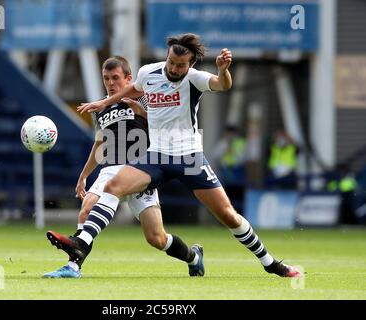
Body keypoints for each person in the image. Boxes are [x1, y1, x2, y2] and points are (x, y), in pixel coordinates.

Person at [68, 33, 301, 278]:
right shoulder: (149, 72)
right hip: (156, 155)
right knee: (113, 186)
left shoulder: (194, 79)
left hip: (189, 157)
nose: (174, 68)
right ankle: (81, 244)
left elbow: (223, 85)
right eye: (171, 62)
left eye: (180, 65)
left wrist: (223, 71)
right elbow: (133, 90)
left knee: (227, 215)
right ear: (167, 57)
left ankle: (270, 263)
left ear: (190, 64)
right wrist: (103, 103)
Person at [43, 56, 204, 278]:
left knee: (156, 238)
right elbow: (101, 143)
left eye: (115, 78)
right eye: (106, 78)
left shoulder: (147, 99)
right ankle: (73, 267)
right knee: (87, 208)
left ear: (129, 78)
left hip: (141, 170)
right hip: (111, 168)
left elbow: (168, 130)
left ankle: (193, 257)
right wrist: (84, 175)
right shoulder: (101, 108)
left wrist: (143, 114)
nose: (110, 83)